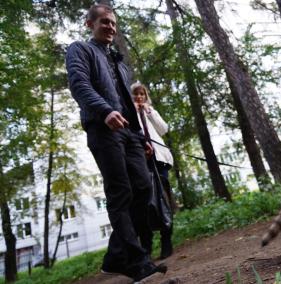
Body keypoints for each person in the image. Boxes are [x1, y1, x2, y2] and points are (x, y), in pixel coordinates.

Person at [65, 4, 166, 281]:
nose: (110, 27)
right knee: (120, 191)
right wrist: (103, 111)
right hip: (102, 127)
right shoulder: (80, 50)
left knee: (143, 188)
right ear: (90, 24)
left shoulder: (119, 62)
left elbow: (126, 102)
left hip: (128, 132)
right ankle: (136, 260)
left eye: (113, 23)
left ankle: (115, 257)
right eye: (105, 22)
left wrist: (141, 136)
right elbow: (78, 84)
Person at [131, 82, 175, 259]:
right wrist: (134, 111)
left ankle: (167, 242)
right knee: (144, 203)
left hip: (160, 160)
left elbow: (163, 129)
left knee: (163, 200)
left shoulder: (150, 111)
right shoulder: (128, 112)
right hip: (140, 161)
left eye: (142, 94)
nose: (139, 97)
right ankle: (146, 247)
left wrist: (149, 112)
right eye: (136, 95)